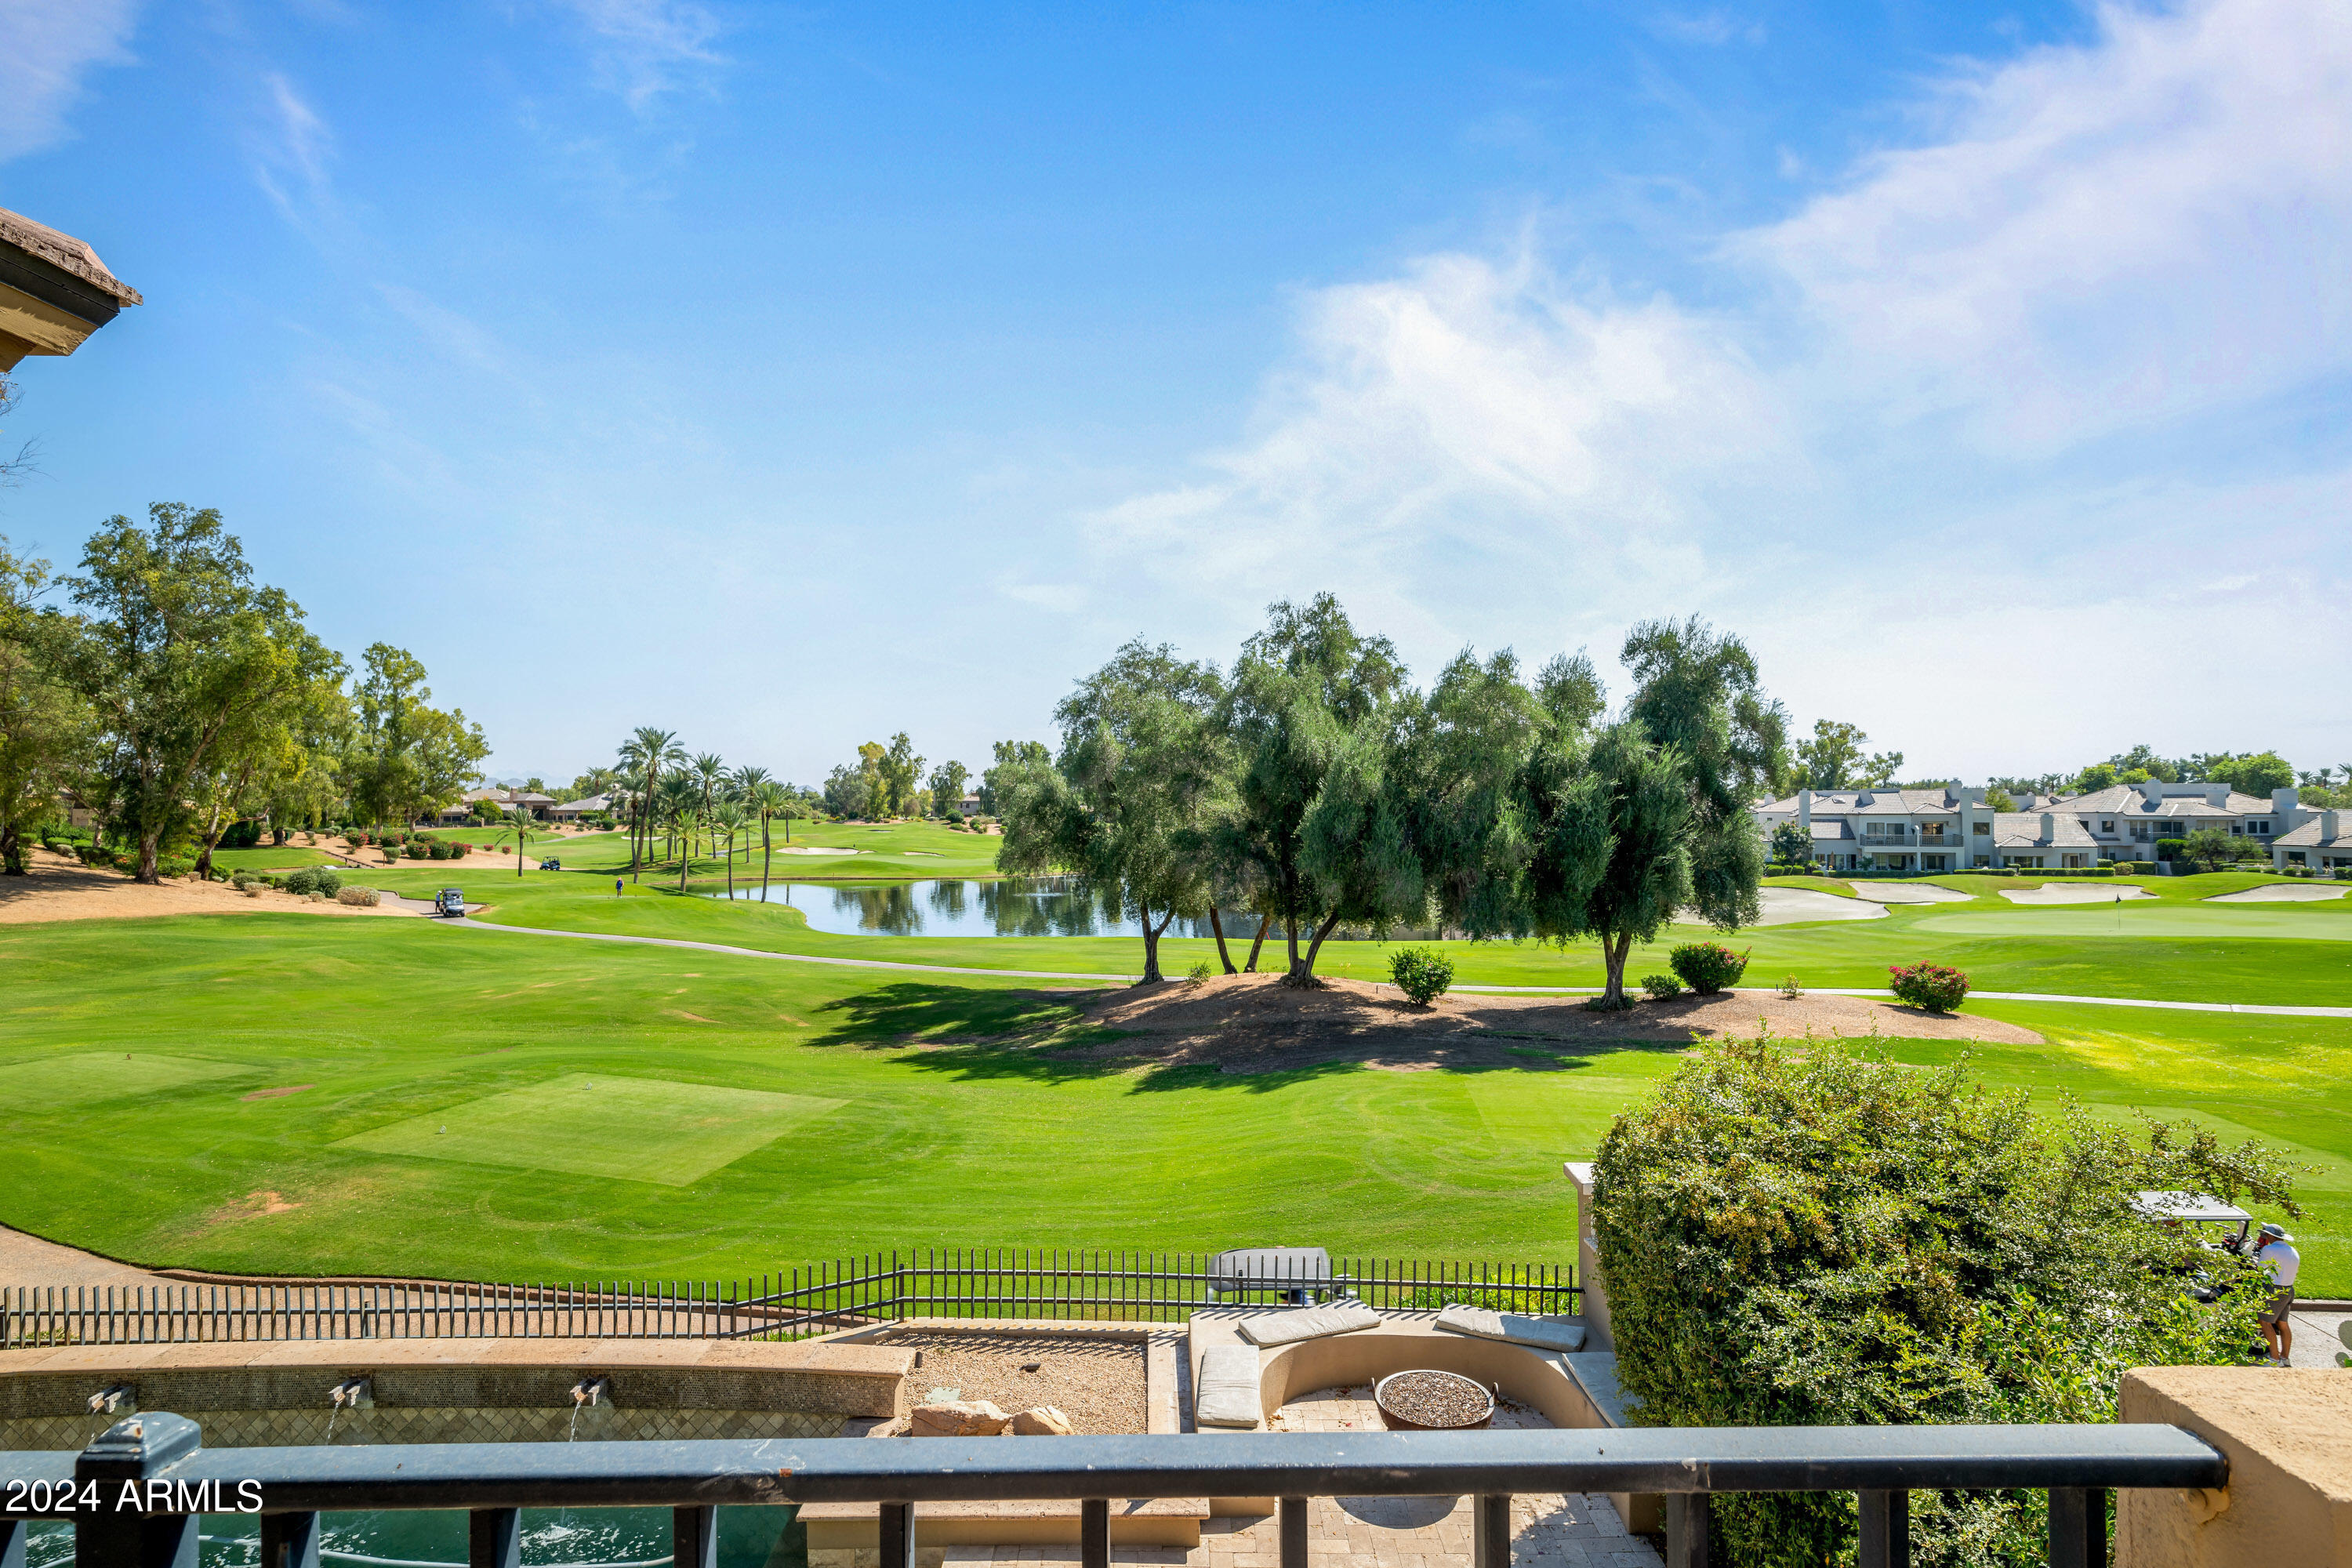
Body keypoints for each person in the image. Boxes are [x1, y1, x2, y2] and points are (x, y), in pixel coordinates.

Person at [2251, 1222, 2299, 1363]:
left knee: (2264, 1322)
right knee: (2283, 1324)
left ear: (2271, 1236)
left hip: (2274, 1290)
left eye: (2266, 1234)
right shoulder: (2293, 1250)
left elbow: (2260, 1269)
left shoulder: (2269, 1249)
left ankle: (2274, 1358)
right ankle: (2285, 1358)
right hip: (2289, 1290)